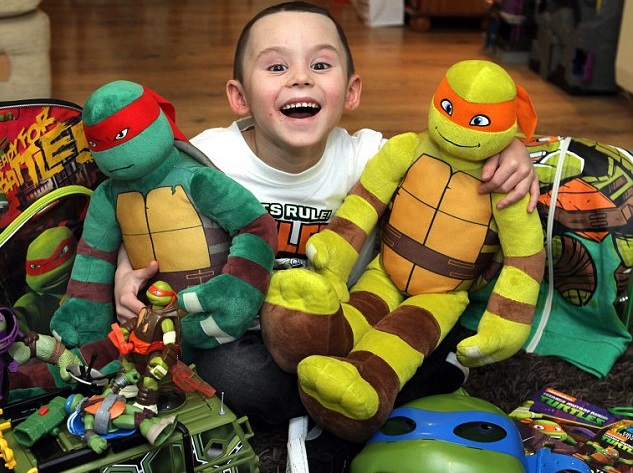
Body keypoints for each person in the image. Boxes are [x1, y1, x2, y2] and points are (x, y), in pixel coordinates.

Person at [114, 2, 539, 471]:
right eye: (277, 66)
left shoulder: (368, 155)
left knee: (433, 329)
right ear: (240, 97)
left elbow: (449, 150)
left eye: (320, 65)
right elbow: (140, 206)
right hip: (250, 337)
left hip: (350, 321)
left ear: (351, 91)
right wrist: (126, 272)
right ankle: (352, 402)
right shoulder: (211, 158)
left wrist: (511, 150)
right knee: (227, 372)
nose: (300, 78)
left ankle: (349, 393)